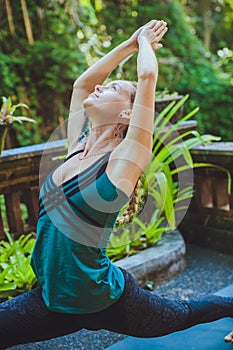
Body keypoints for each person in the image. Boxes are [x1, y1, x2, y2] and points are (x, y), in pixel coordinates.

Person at [0, 20, 233, 349]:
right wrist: (128, 44)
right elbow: (83, 84)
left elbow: (147, 77)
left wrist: (146, 43)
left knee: (184, 313)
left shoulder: (125, 161)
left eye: (111, 89)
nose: (99, 87)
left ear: (127, 113)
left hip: (107, 300)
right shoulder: (76, 147)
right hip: (52, 298)